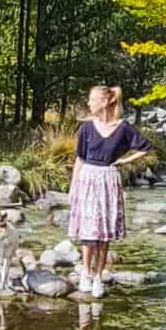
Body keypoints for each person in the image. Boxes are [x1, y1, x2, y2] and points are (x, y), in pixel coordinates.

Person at [68, 84, 152, 298]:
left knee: (104, 233)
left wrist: (124, 160)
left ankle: (98, 276)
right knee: (88, 231)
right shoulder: (86, 128)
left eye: (92, 99)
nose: (89, 103)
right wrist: (73, 186)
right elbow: (79, 158)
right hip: (87, 177)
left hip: (108, 178)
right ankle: (86, 273)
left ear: (104, 102)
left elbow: (146, 147)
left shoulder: (123, 128)